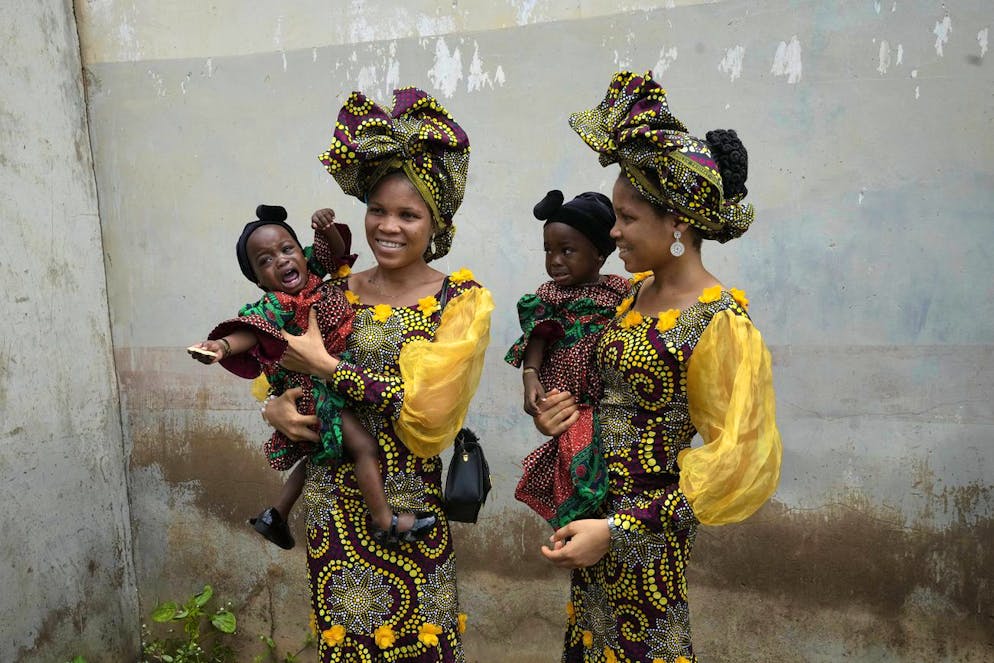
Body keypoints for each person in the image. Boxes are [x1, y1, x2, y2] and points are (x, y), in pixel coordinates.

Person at [532, 71, 783, 663]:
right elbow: (602, 396)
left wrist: (618, 530)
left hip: (647, 538)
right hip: (592, 513)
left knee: (645, 646)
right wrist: (561, 417)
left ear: (678, 225)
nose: (613, 231)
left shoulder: (719, 322)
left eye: (627, 217)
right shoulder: (630, 297)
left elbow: (734, 462)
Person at [261, 86, 493, 662]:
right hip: (334, 506)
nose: (388, 227)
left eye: (408, 215)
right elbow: (281, 371)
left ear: (435, 222)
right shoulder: (332, 291)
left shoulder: (460, 301)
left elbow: (429, 411)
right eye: (377, 210)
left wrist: (329, 368)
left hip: (410, 507)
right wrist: (276, 406)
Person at [188, 204, 436, 550]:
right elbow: (252, 333)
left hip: (328, 383)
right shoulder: (276, 305)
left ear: (302, 253)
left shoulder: (316, 277)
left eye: (287, 249)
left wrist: (326, 227)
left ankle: (276, 513)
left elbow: (334, 252)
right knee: (363, 447)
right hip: (314, 390)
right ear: (258, 280)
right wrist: (223, 346)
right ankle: (384, 520)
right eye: (265, 260)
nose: (281, 260)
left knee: (319, 452)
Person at [505, 190, 628, 529]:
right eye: (549, 250)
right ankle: (575, 525)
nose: (555, 260)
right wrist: (530, 374)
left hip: (605, 402)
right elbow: (538, 334)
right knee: (574, 465)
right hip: (568, 403)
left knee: (601, 470)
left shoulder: (621, 292)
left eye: (567, 250)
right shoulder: (549, 295)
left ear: (600, 255)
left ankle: (594, 526)